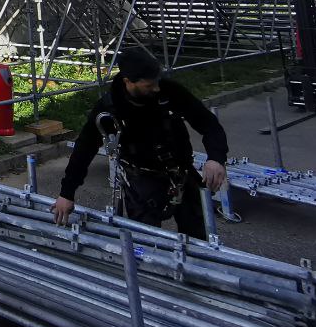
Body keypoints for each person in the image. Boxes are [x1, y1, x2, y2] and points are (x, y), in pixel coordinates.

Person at [52, 47, 228, 239]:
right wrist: (66, 193)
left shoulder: (169, 92)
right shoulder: (110, 109)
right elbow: (84, 150)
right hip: (143, 180)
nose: (156, 88)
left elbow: (209, 124)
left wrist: (216, 158)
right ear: (128, 82)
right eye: (149, 85)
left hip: (181, 172)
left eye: (157, 82)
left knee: (198, 237)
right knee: (146, 242)